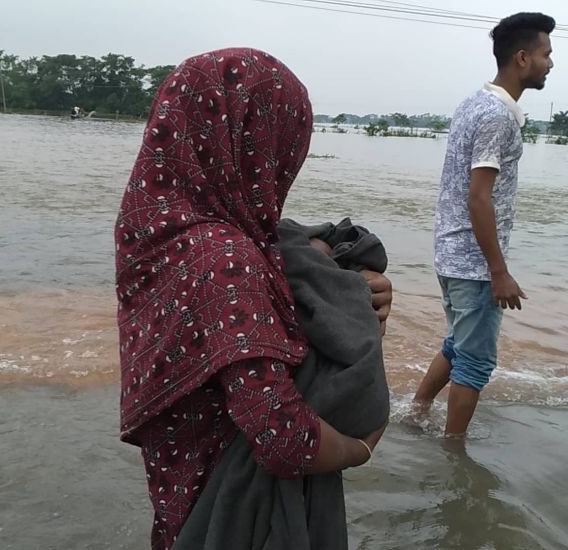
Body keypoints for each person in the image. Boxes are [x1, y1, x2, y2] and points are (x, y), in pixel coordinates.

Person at [114, 48, 391, 550]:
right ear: (256, 144)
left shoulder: (159, 229)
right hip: (227, 511)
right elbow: (283, 436)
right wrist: (359, 449)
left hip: (180, 477)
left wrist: (349, 298)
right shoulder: (227, 259)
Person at [411, 12, 555, 436]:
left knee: (458, 345)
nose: (552, 63)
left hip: (451, 254)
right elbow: (478, 196)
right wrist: (499, 271)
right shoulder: (496, 115)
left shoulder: (475, 102)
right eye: (547, 54)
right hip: (474, 265)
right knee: (474, 362)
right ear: (523, 58)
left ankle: (417, 412)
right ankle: (455, 455)